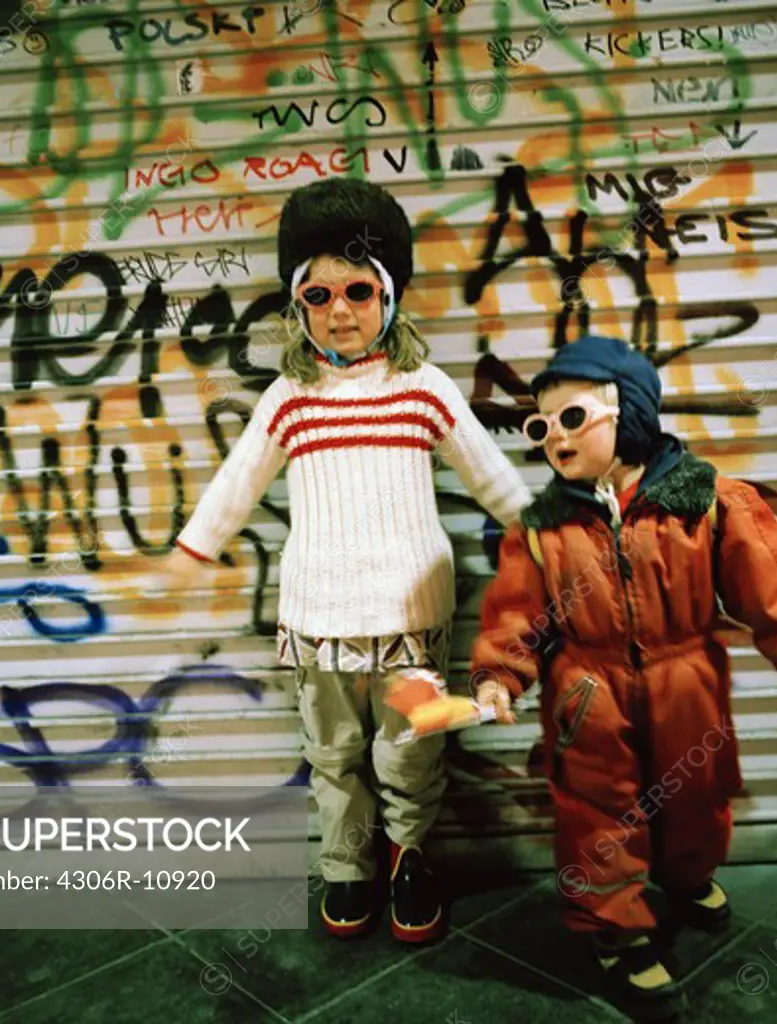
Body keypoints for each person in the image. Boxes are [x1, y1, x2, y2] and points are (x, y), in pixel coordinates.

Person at [153, 177, 532, 943]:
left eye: (359, 290)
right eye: (318, 295)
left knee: (408, 755)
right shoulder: (290, 396)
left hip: (409, 616)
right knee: (332, 755)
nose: (341, 311)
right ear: (298, 306)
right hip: (317, 617)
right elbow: (237, 483)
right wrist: (192, 552)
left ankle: (411, 859)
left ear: (388, 296)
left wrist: (553, 537)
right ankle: (347, 865)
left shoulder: (422, 389)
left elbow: (492, 475)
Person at [469, 334, 777, 1017]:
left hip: (686, 679)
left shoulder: (704, 500)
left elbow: (772, 582)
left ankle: (687, 873)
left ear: (631, 414)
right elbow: (516, 611)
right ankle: (617, 931)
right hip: (587, 689)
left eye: (573, 417)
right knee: (596, 813)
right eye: (540, 425)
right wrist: (500, 674)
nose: (555, 436)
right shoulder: (543, 525)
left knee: (697, 794)